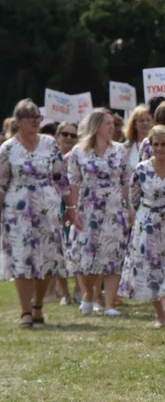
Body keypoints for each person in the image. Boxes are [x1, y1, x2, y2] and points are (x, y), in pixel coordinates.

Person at [0, 100, 77, 328]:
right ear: (18, 122)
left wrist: (71, 209)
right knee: (22, 259)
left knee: (47, 258)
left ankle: (38, 305)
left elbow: (62, 180)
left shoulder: (49, 144)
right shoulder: (8, 148)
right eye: (30, 117)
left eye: (38, 117)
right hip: (18, 210)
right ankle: (25, 311)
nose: (35, 121)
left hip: (47, 207)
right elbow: (2, 184)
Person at [68, 108, 132, 317]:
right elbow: (74, 182)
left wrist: (129, 207)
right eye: (107, 123)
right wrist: (74, 209)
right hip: (88, 207)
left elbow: (125, 181)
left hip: (114, 208)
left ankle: (110, 304)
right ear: (96, 126)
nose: (111, 127)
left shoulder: (120, 150)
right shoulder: (79, 151)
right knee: (86, 255)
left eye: (113, 124)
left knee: (113, 255)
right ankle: (88, 295)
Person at [121, 125, 165, 327]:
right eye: (155, 144)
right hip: (148, 223)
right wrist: (137, 220)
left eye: (163, 144)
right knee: (152, 268)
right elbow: (134, 197)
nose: (159, 148)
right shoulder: (141, 169)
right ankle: (159, 315)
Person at [51, 121, 79, 305]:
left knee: (75, 247)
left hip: (74, 203)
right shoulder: (50, 157)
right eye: (65, 134)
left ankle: (78, 289)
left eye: (72, 135)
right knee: (57, 246)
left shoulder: (78, 156)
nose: (68, 138)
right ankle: (64, 293)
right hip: (53, 204)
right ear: (58, 136)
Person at [123, 105, 153, 176]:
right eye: (141, 120)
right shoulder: (125, 147)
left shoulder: (159, 144)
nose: (145, 123)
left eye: (148, 120)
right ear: (134, 124)